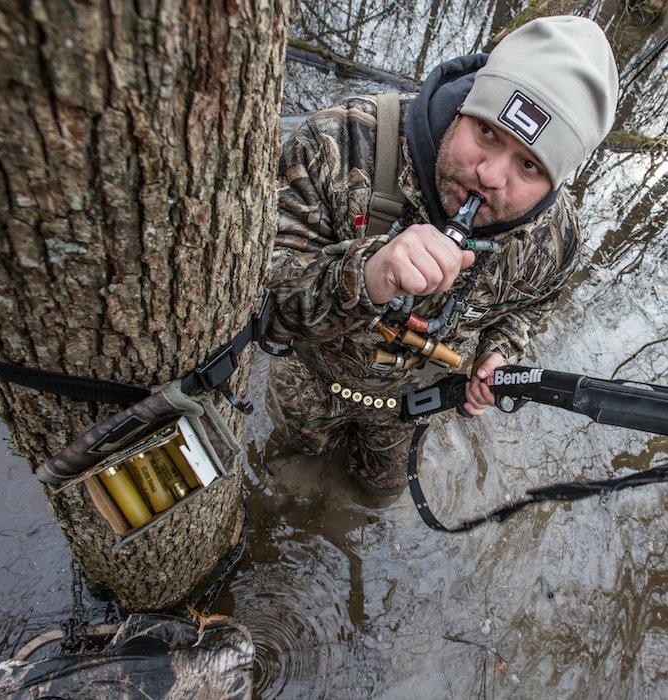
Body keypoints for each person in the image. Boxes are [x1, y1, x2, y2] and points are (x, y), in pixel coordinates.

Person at [264, 16, 618, 497]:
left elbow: (531, 309)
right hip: (310, 380)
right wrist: (369, 274)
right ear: (467, 106)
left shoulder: (556, 240)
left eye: (529, 164)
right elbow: (259, 308)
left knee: (378, 496)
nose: (489, 175)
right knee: (289, 469)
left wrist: (499, 354)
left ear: (553, 183)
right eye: (488, 132)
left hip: (411, 409)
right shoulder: (343, 143)